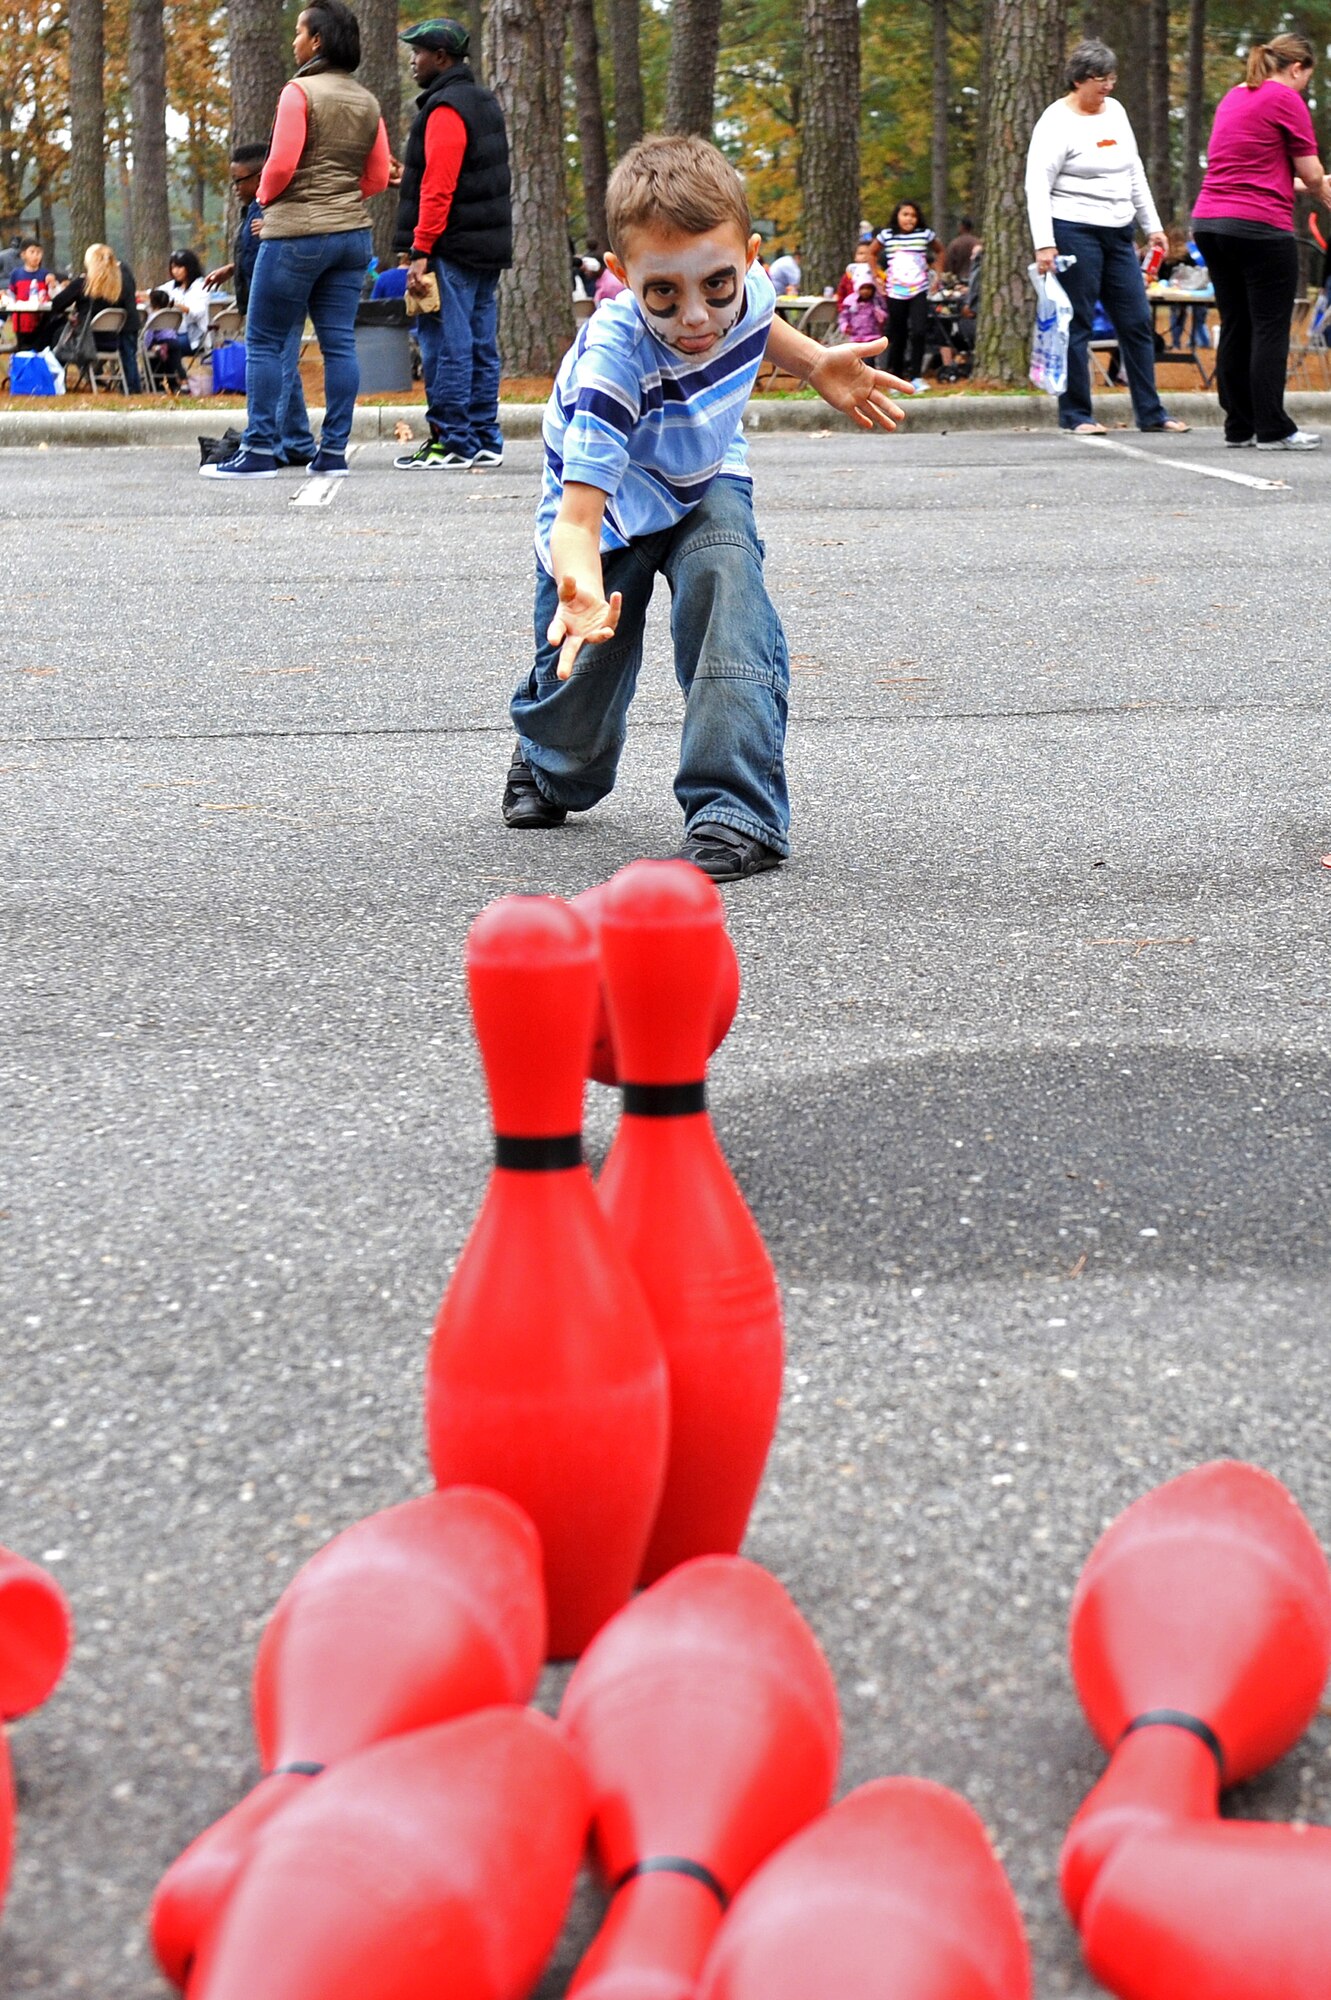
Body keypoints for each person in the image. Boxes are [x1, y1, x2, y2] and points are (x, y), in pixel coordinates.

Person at [501, 134, 909, 883]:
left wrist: (817, 362)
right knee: (582, 674)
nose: (696, 317)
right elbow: (577, 518)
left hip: (705, 477)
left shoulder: (743, 294)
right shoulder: (611, 367)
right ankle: (548, 761)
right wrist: (581, 586)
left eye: (715, 285)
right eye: (664, 293)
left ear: (748, 260)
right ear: (622, 279)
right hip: (613, 509)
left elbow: (757, 321)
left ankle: (734, 810)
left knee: (729, 589)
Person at [203, 0, 390, 481]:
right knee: (338, 345)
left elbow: (281, 164)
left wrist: (264, 199)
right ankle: (332, 454)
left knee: (265, 341)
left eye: (299, 32)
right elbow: (376, 175)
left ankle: (260, 450)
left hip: (297, 235)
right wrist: (341, 198)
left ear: (318, 41)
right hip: (352, 236)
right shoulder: (367, 101)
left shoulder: (298, 92)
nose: (294, 40)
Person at [1026, 39, 1186, 435]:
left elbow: (1134, 172)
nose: (1108, 86)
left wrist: (1153, 226)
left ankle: (1151, 412)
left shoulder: (1115, 112)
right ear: (1079, 79)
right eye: (1101, 79)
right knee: (1078, 322)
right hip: (1073, 228)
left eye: (1112, 77)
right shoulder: (1055, 121)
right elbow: (1036, 185)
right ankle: (1076, 414)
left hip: (1119, 231)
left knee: (1135, 320)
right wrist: (1045, 242)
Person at [1193, 33, 1331, 450]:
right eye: (1308, 77)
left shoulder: (1235, 96)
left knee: (1237, 324)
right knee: (1270, 328)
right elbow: (1309, 172)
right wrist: (1321, 185)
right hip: (1258, 228)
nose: (1306, 85)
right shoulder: (1286, 99)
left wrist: (1311, 186)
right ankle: (1273, 427)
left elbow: (1253, 168)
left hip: (1210, 222)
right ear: (1296, 68)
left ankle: (1240, 425)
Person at [391, 17, 512, 472]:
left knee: (446, 344)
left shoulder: (444, 109)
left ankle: (452, 439)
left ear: (441, 58)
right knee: (480, 343)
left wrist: (420, 251)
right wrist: (406, 181)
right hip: (484, 246)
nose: (412, 59)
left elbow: (440, 188)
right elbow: (463, 176)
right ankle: (484, 435)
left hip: (450, 248)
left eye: (418, 52)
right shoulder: (483, 102)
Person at [204, 144, 316, 466]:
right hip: (259, 293)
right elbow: (257, 253)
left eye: (239, 180)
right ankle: (297, 441)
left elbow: (302, 238)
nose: (235, 188)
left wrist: (277, 229)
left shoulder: (279, 204)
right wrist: (232, 268)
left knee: (277, 366)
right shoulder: (254, 206)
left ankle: (270, 444)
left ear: (261, 175)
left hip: (282, 295)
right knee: (284, 367)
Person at [48, 243, 141, 391]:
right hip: (115, 339)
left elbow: (57, 304)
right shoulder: (122, 284)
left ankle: (56, 381)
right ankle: (130, 387)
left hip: (88, 341)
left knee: (57, 334)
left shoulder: (83, 284)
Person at [877, 200, 937, 391]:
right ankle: (896, 377)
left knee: (919, 331)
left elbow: (940, 251)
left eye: (913, 215)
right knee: (898, 333)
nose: (909, 219)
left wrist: (938, 274)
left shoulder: (924, 235)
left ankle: (916, 376)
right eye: (905, 214)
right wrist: (878, 278)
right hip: (895, 291)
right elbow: (871, 254)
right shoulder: (887, 236)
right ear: (897, 216)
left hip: (918, 289)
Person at [146, 248, 211, 391]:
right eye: (173, 267)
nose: (175, 271)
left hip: (193, 336)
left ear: (189, 267)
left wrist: (178, 306)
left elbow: (197, 312)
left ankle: (178, 380)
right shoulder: (170, 287)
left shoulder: (201, 287)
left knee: (168, 345)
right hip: (171, 335)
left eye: (180, 267)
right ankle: (159, 383)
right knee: (156, 343)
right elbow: (154, 294)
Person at [4, 239, 55, 351]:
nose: (36, 256)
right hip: (21, 322)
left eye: (39, 252)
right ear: (23, 255)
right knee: (23, 350)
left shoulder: (45, 274)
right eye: (32, 252)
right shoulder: (16, 274)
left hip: (41, 322)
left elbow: (51, 296)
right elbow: (11, 294)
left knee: (40, 350)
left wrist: (52, 285)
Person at [944, 216, 978, 281]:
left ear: (961, 227)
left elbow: (949, 266)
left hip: (960, 281)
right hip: (976, 280)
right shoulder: (978, 243)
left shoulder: (955, 244)